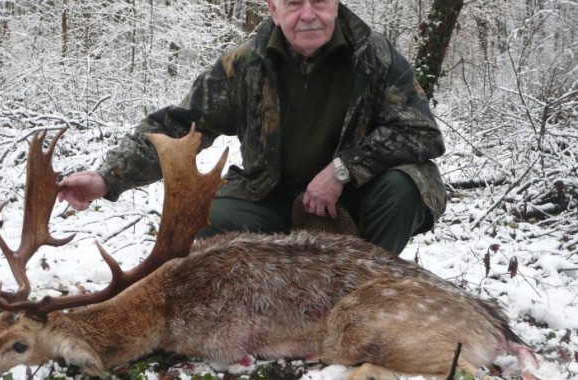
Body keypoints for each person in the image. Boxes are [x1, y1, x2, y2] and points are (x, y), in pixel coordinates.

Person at [58, 0, 447, 255]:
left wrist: (342, 170)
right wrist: (107, 179)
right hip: (272, 197)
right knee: (209, 216)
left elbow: (421, 133)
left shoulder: (375, 57)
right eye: (294, 4)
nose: (308, 14)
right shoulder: (244, 65)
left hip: (357, 198)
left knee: (404, 189)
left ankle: (369, 288)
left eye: (319, 2)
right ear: (273, 9)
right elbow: (179, 126)